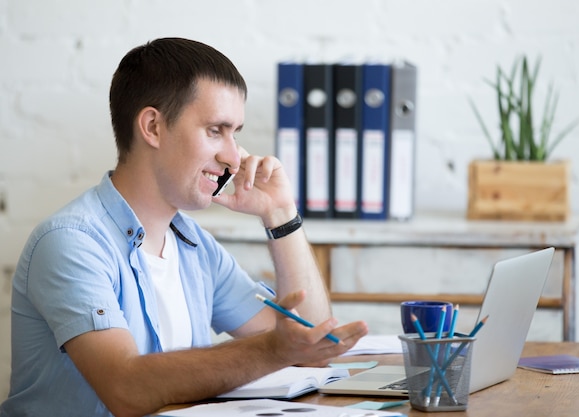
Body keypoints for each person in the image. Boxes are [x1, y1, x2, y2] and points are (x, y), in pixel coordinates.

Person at [0, 38, 368, 417]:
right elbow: (125, 388)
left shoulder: (195, 246)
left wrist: (281, 215)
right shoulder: (70, 243)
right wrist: (274, 349)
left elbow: (312, 340)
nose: (231, 156)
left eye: (234, 133)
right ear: (153, 127)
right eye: (215, 131)